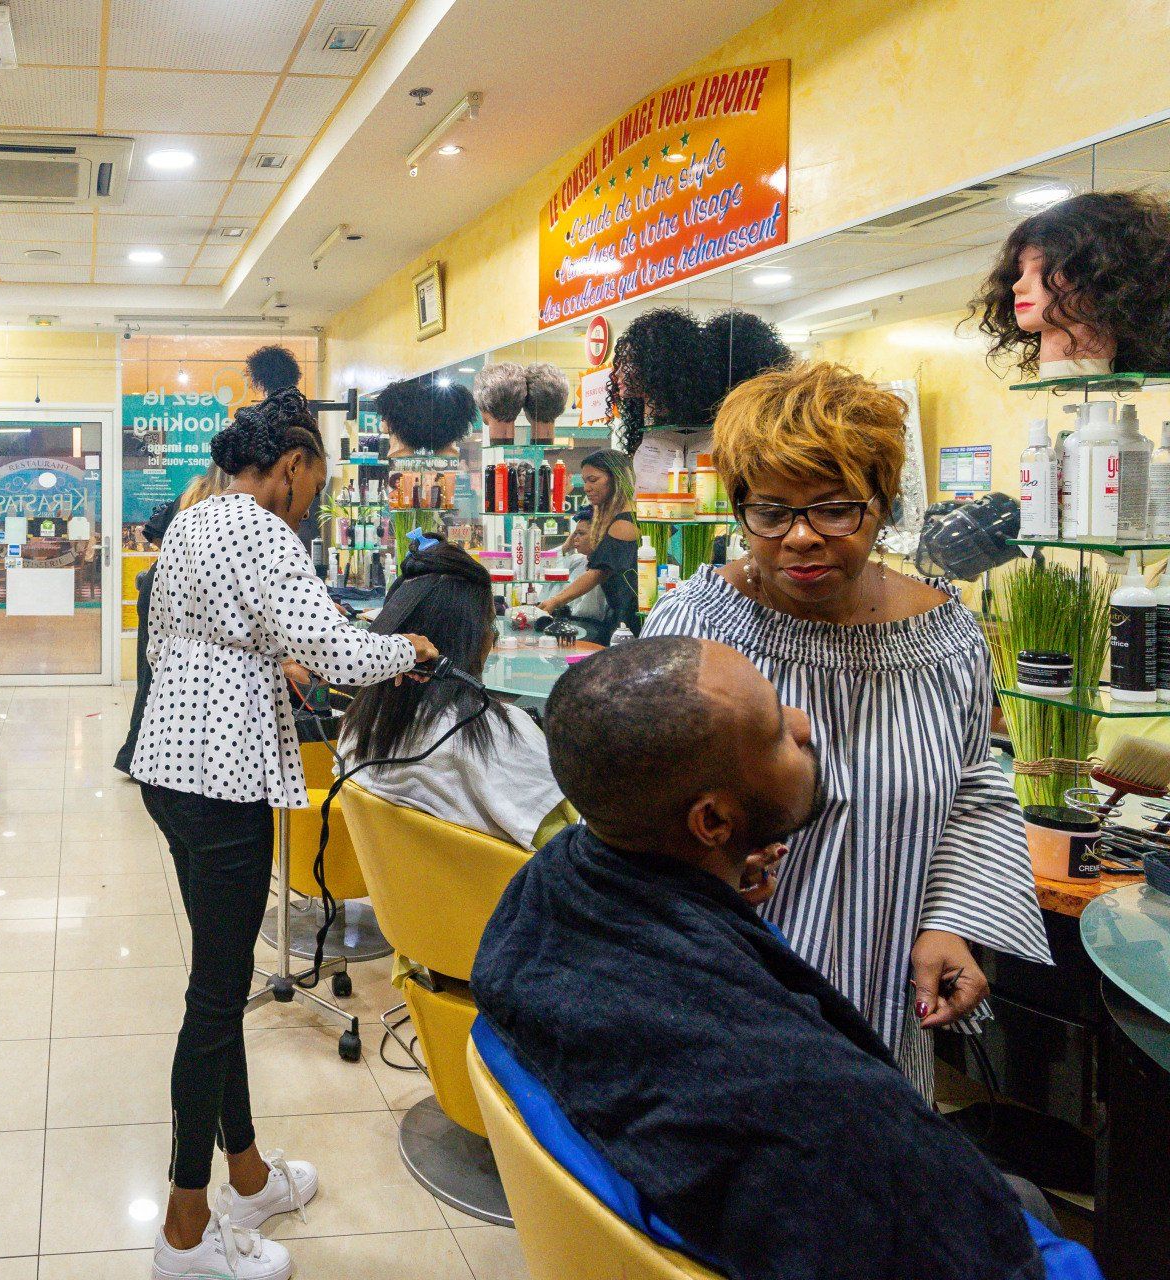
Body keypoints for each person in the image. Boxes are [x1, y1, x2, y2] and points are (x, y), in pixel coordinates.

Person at [471, 636, 1099, 1280]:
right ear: (713, 822)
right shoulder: (817, 1107)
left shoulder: (550, 887)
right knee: (1026, 1205)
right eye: (775, 732)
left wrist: (711, 891)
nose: (804, 725)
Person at [643, 360, 1049, 1098]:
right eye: (771, 512)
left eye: (834, 510)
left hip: (883, 987)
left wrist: (951, 923)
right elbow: (636, 804)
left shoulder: (945, 638)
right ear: (739, 509)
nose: (800, 537)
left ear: (883, 504)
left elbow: (972, 794)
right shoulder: (695, 628)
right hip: (725, 986)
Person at [132, 394, 437, 1280]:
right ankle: (184, 1230)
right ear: (293, 465)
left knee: (219, 982)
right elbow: (339, 652)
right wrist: (410, 650)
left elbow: (181, 643)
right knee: (213, 1003)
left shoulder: (191, 522)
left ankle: (249, 1175)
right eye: (316, 486)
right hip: (222, 780)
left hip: (169, 769)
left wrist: (268, 658)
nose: (311, 504)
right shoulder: (266, 532)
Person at [339, 543, 568, 850]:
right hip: (491, 882)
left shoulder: (357, 726)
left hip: (395, 882)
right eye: (491, 627)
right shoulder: (497, 734)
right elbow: (572, 848)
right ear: (470, 639)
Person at [114, 468, 228, 776]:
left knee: (151, 675)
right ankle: (153, 757)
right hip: (183, 592)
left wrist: (175, 556)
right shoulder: (229, 507)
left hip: (162, 585)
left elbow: (152, 531)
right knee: (172, 677)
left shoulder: (188, 497)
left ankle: (140, 755)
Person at [534, 449, 639, 643]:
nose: (587, 488)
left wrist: (556, 601)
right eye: (585, 481)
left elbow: (598, 573)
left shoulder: (625, 523)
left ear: (616, 478)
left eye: (593, 480)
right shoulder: (636, 514)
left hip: (630, 621)